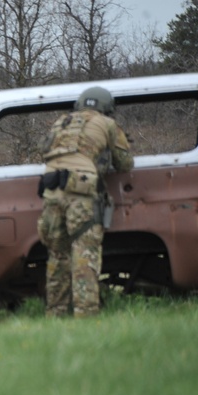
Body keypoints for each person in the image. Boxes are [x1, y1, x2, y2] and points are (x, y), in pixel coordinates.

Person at [37, 86, 134, 318]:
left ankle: (55, 313)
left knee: (57, 256)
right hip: (80, 194)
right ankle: (86, 315)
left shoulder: (61, 121)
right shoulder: (107, 124)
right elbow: (124, 163)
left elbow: (44, 150)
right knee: (84, 255)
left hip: (51, 191)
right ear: (105, 107)